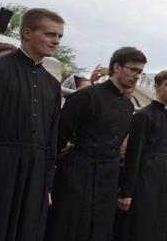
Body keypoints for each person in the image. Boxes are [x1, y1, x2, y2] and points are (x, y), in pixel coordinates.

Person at [0, 8, 64, 241]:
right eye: (50, 34)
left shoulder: (52, 85)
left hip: (34, 175)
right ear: (26, 33)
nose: (56, 41)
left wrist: (47, 185)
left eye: (60, 36)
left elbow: (51, 140)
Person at [46, 46, 144, 241]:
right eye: (133, 70)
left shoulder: (127, 105)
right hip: (76, 174)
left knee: (99, 230)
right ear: (117, 67)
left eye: (140, 72)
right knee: (69, 228)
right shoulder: (86, 96)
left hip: (108, 179)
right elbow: (57, 138)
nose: (137, 76)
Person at [115, 70, 167, 241]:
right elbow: (133, 153)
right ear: (156, 86)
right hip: (145, 176)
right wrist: (127, 191)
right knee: (142, 223)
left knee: (161, 222)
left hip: (165, 176)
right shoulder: (143, 115)